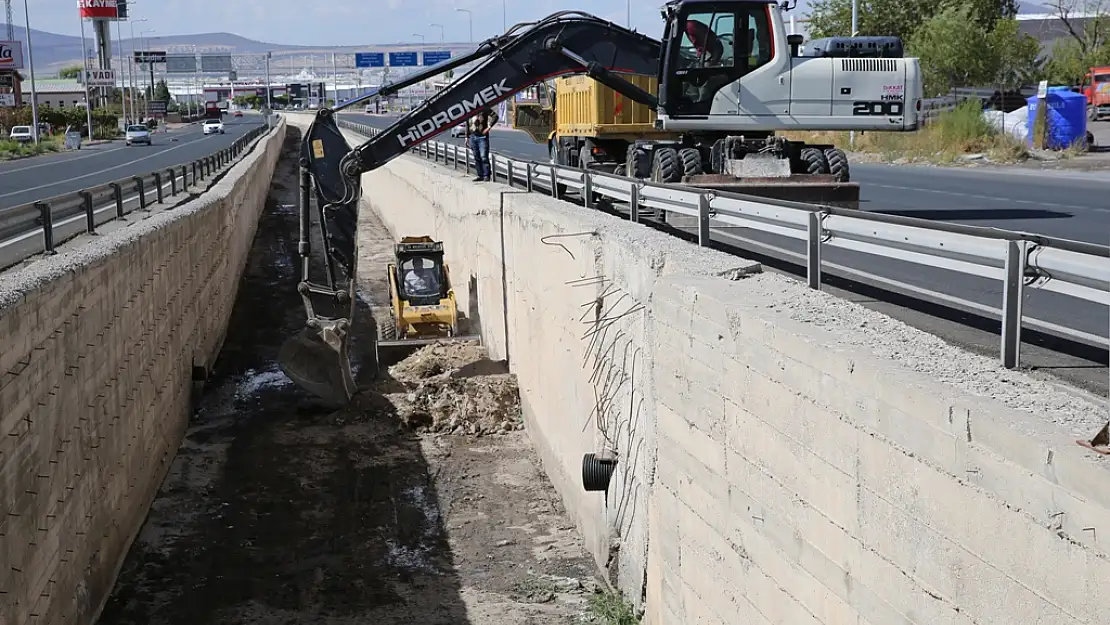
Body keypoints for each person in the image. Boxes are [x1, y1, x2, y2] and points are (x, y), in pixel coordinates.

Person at [466, 105, 499, 182]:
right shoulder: (469, 109)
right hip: (472, 136)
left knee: (484, 156)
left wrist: (489, 127)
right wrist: (466, 137)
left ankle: (486, 175)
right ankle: (480, 175)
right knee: (476, 157)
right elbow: (467, 123)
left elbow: (495, 116)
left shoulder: (484, 108)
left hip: (482, 137)